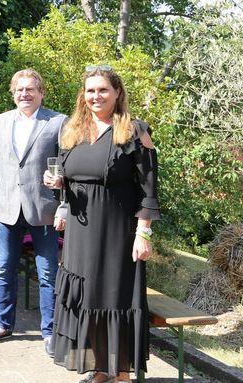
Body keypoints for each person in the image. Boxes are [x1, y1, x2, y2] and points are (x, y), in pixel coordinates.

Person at [45, 66, 159, 383]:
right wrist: (57, 184)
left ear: (117, 92)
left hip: (117, 233)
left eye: (103, 90)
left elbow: (150, 190)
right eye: (91, 90)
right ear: (83, 95)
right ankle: (100, 367)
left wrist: (143, 233)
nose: (96, 96)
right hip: (80, 234)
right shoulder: (72, 131)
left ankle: (120, 373)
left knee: (115, 298)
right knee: (87, 297)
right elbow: (67, 179)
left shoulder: (136, 131)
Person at [0, 69, 67, 355]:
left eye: (30, 89)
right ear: (13, 93)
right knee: (4, 269)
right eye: (19, 89)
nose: (24, 94)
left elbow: (68, 167)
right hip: (7, 209)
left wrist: (64, 206)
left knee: (48, 273)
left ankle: (50, 332)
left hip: (45, 210)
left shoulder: (58, 122)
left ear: (41, 92)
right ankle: (3, 324)